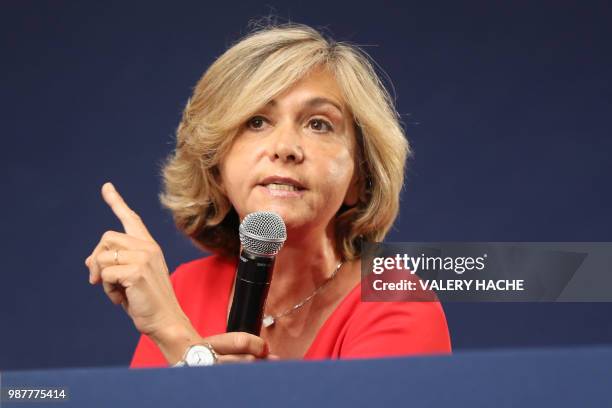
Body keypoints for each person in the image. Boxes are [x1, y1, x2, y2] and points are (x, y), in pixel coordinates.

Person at [85, 22, 451, 368]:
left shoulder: (397, 301)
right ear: (216, 165)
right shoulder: (185, 288)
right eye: (256, 122)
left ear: (361, 178)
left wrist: (176, 339)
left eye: (319, 124)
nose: (285, 147)